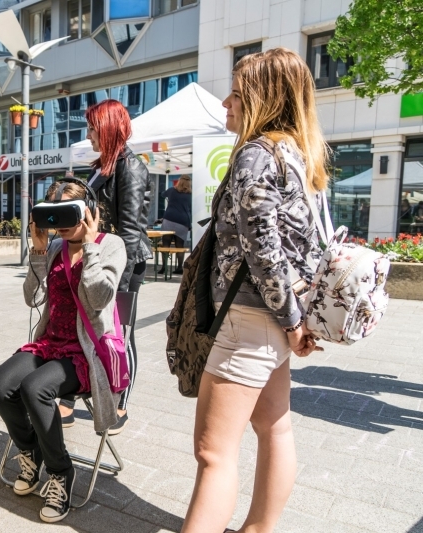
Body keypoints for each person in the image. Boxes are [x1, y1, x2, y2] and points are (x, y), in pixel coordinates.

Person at [181, 48, 323, 533]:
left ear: (263, 98)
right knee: (274, 427)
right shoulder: (294, 153)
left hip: (248, 321)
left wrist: (291, 320)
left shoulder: (256, 154)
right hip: (271, 322)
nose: (226, 102)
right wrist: (294, 321)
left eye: (238, 94)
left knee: (213, 453)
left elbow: (264, 250)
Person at [0, 181, 126, 523]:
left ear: (89, 210)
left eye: (68, 212)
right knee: (0, 384)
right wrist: (37, 251)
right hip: (50, 342)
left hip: (86, 351)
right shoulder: (54, 248)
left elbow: (98, 299)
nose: (61, 222)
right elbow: (33, 299)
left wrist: (90, 248)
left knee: (37, 388)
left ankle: (61, 473)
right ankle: (30, 453)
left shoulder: (111, 245)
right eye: (53, 214)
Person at [58, 99, 152, 435]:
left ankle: (119, 403)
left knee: (119, 332)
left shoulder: (131, 168)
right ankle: (68, 398)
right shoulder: (101, 167)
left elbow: (130, 231)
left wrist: (112, 281)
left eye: (93, 128)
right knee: (80, 323)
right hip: (96, 259)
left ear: (109, 128)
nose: (89, 134)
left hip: (122, 264)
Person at [158, 174, 192, 275]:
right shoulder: (190, 195)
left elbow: (162, 194)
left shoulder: (172, 190)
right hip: (183, 221)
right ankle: (179, 267)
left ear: (179, 181)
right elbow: (190, 209)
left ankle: (164, 267)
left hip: (169, 219)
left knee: (166, 244)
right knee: (180, 245)